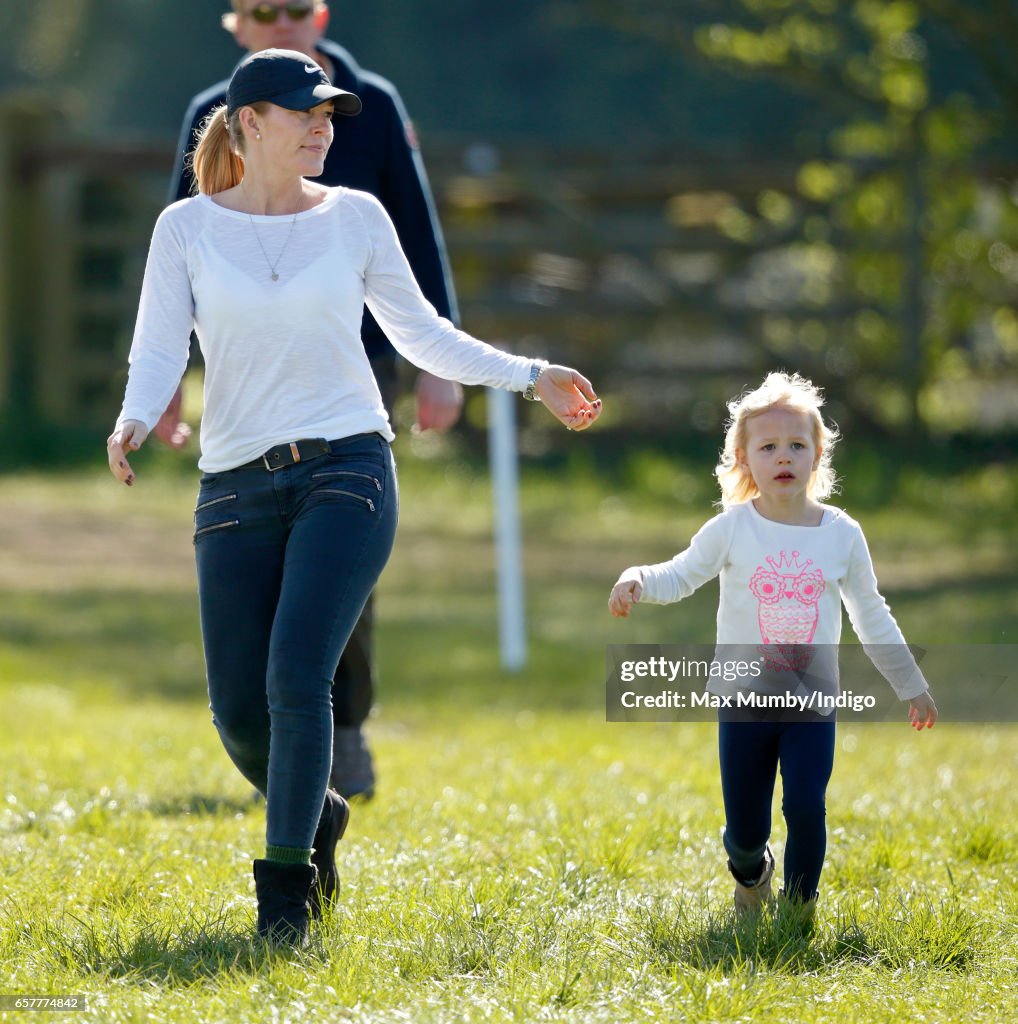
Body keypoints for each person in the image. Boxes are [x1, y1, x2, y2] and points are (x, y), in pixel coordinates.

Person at [107, 48, 602, 944]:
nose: (325, 127)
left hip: (347, 467)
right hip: (232, 488)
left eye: (331, 113)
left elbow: (424, 335)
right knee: (239, 713)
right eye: (306, 113)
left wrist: (530, 374)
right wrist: (136, 418)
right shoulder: (184, 229)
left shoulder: (357, 218)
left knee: (300, 676)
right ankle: (318, 810)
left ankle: (285, 895)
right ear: (250, 122)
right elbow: (156, 350)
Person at [157, 0, 466, 800]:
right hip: (250, 374)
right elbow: (182, 267)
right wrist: (159, 390)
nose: (283, 20)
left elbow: (418, 231)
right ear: (241, 23)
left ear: (319, 14)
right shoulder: (210, 115)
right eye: (266, 10)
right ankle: (276, 730)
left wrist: (441, 364)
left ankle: (346, 724)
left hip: (356, 361)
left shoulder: (373, 103)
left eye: (298, 7)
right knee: (261, 570)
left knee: (338, 560)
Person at [608, 371, 936, 919]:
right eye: (768, 446)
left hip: (812, 701)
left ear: (817, 454)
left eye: (796, 445)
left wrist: (911, 682)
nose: (783, 456)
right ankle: (751, 874)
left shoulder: (842, 534)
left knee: (807, 805)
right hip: (743, 701)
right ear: (743, 459)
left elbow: (871, 614)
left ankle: (799, 909)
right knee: (744, 828)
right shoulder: (733, 527)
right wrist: (637, 577)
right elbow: (681, 575)